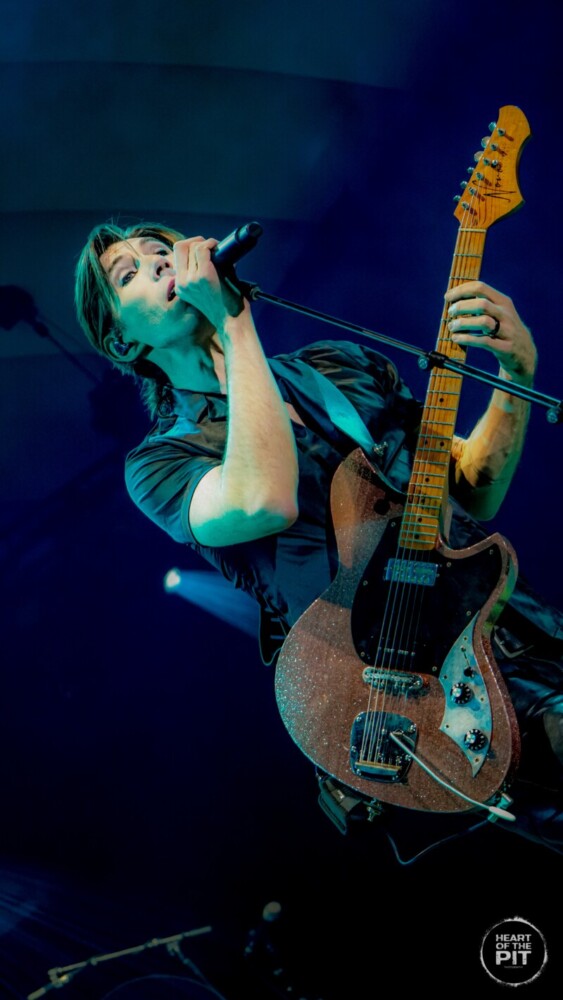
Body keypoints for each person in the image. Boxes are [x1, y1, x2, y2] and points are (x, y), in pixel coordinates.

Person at [74, 221, 563, 856]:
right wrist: (233, 323)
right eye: (130, 273)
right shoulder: (161, 461)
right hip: (411, 693)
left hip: (516, 626)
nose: (162, 264)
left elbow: (470, 491)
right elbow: (265, 499)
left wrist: (516, 369)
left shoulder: (342, 366)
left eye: (163, 251)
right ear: (121, 340)